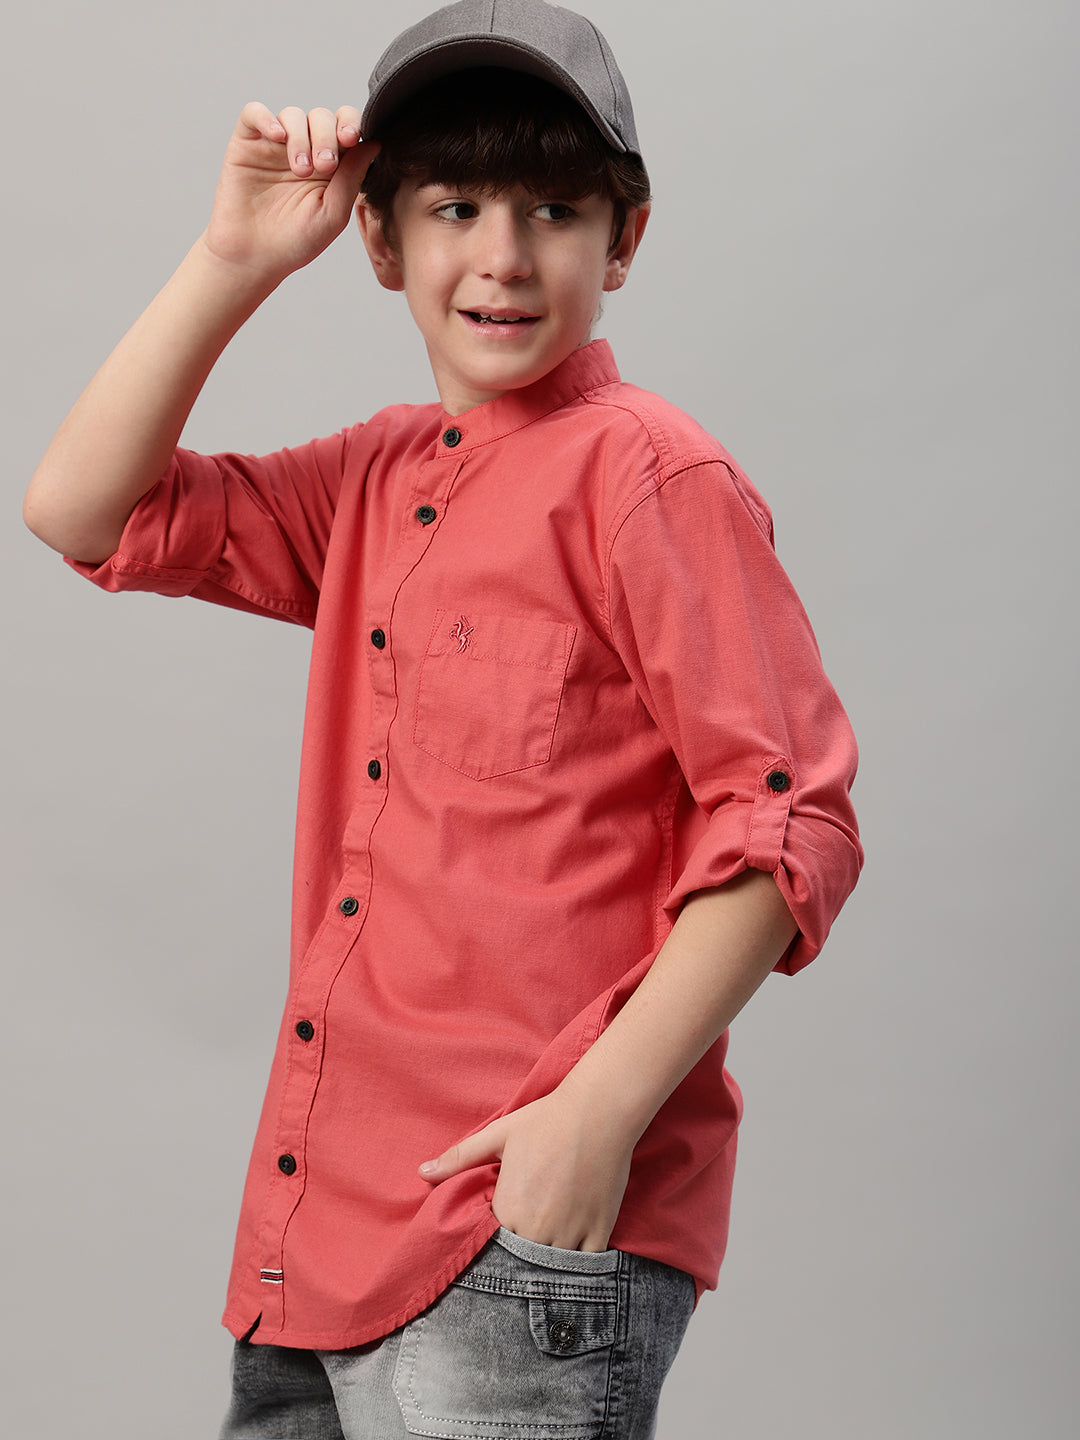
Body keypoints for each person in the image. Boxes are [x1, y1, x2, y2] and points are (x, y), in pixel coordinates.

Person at [23, 1, 862, 1434]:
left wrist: (591, 1122)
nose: (504, 256)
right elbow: (84, 510)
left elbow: (791, 825)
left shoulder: (653, 479)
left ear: (624, 239)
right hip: (312, 1233)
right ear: (381, 238)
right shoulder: (373, 478)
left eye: (554, 209)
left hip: (515, 1230)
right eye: (455, 206)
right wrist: (233, 260)